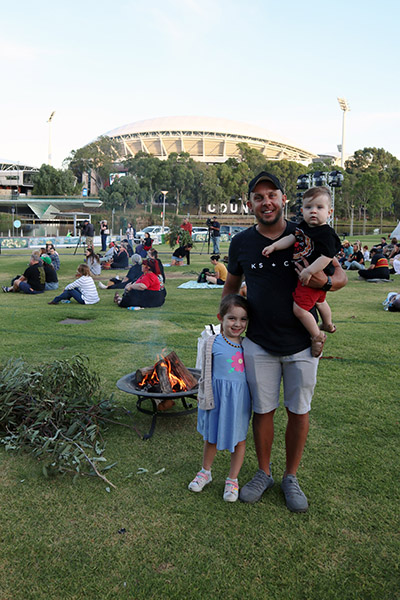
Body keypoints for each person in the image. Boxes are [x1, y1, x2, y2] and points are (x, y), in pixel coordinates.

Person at [222, 171, 347, 513]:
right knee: (263, 411)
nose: (266, 202)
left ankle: (291, 476)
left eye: (272, 195)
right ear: (250, 204)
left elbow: (340, 277)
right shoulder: (242, 243)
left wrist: (322, 282)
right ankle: (263, 472)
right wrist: (225, 321)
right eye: (259, 197)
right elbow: (231, 287)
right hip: (258, 343)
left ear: (283, 199)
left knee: (299, 411)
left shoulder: (305, 232)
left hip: (301, 345)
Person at [262, 186, 341, 357]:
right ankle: (327, 323)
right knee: (320, 302)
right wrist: (275, 246)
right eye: (308, 207)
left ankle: (317, 336)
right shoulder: (304, 226)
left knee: (299, 310)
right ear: (301, 210)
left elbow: (327, 256)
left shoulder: (326, 233)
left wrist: (309, 271)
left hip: (311, 278)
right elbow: (292, 239)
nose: (313, 211)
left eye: (319, 208)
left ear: (329, 212)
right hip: (314, 279)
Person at [188, 294, 251, 503]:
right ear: (220, 318)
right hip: (216, 398)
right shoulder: (212, 342)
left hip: (238, 401)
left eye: (243, 319)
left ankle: (232, 479)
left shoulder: (249, 345)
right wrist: (202, 395)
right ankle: (205, 471)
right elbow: (203, 371)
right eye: (232, 318)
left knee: (239, 438)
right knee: (211, 436)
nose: (237, 324)